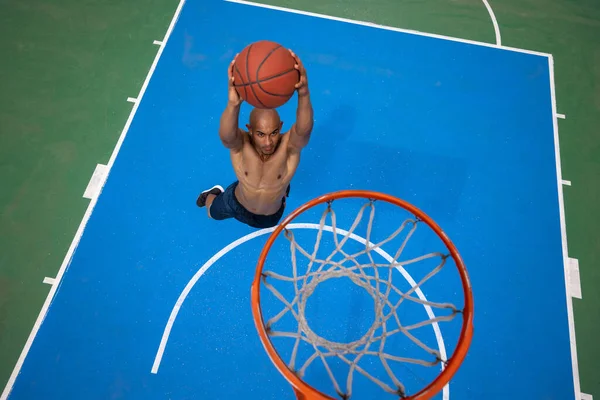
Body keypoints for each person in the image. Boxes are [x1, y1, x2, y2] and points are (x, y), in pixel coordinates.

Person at [196, 50, 314, 229]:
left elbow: (303, 131)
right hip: (236, 204)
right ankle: (211, 194)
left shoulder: (288, 147)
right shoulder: (241, 145)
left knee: (276, 193)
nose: (268, 142)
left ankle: (281, 189)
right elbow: (227, 137)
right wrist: (233, 104)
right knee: (211, 212)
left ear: (281, 127)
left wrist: (303, 93)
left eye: (273, 133)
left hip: (271, 216)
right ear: (249, 130)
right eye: (261, 134)